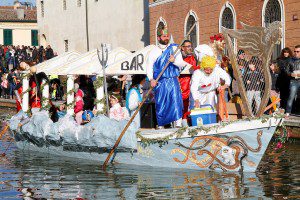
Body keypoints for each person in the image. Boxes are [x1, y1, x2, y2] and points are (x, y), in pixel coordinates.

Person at [146, 26, 192, 128]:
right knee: (161, 104)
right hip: (160, 82)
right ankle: (161, 125)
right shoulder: (153, 51)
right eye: (164, 36)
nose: (166, 38)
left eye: (167, 36)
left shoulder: (174, 49)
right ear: (158, 38)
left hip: (172, 80)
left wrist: (174, 61)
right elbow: (149, 67)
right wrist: (151, 79)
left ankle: (178, 125)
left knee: (176, 101)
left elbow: (181, 64)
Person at [179, 40, 199, 121]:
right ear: (182, 48)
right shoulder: (178, 57)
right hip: (180, 83)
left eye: (190, 46)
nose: (190, 48)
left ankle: (188, 119)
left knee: (189, 102)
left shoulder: (193, 57)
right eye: (188, 46)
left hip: (189, 82)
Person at [285, 45, 300, 115]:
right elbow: (286, 71)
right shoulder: (290, 60)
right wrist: (291, 74)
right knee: (291, 96)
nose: (296, 53)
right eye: (295, 51)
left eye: (298, 51)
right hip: (294, 81)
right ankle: (288, 112)